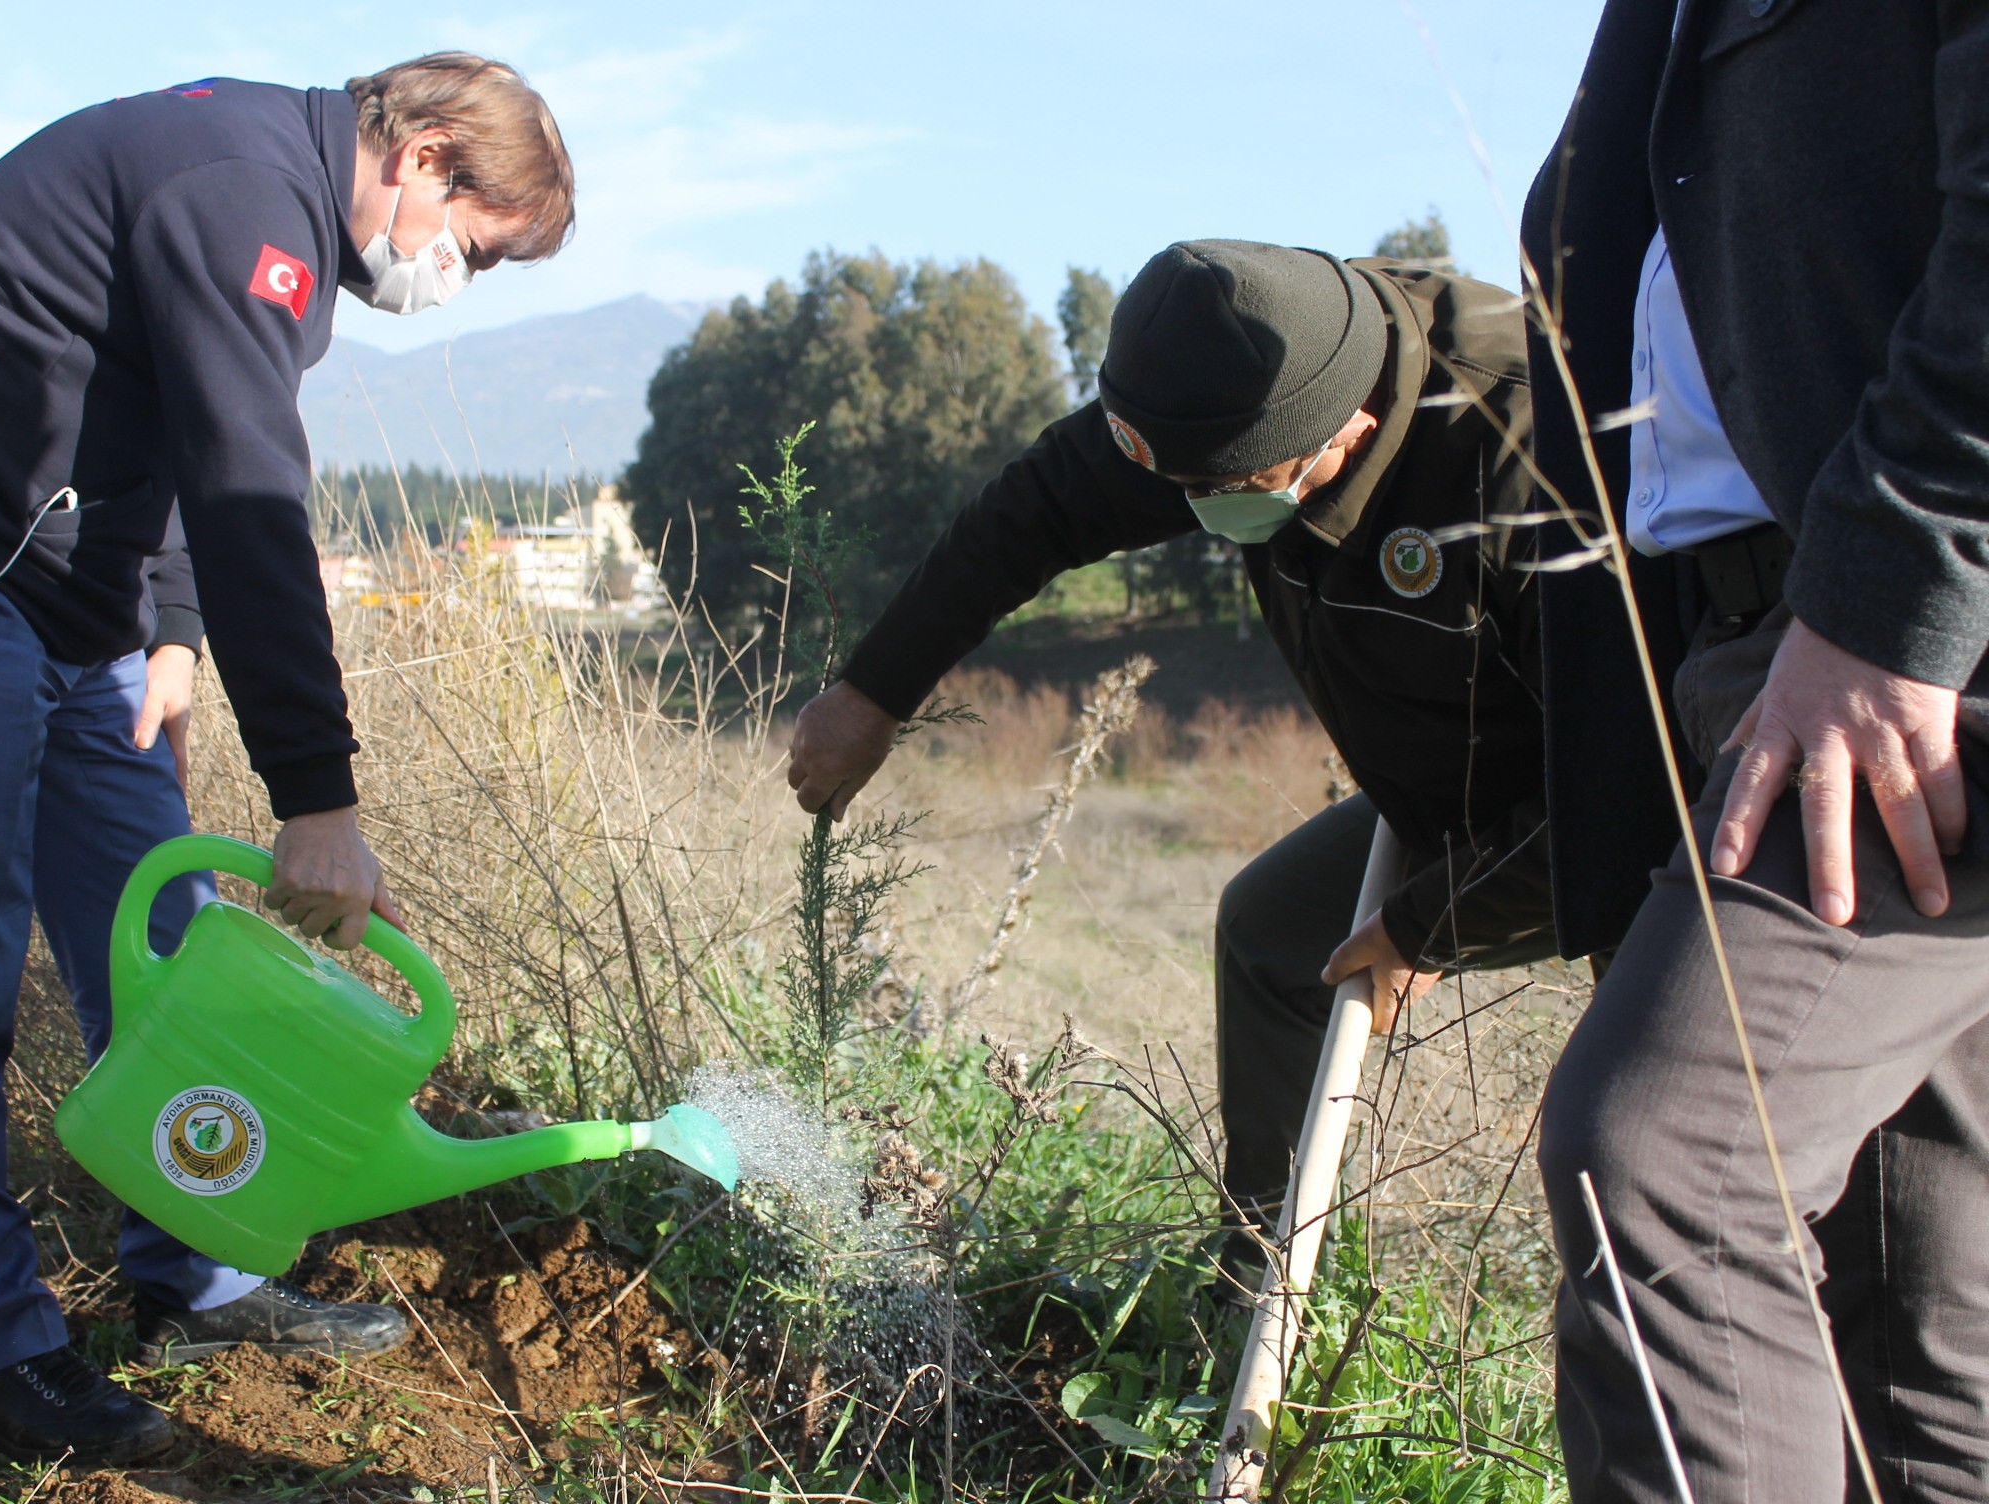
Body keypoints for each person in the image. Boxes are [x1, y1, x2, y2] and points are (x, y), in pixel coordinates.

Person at [0, 53, 574, 1463]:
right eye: (477, 252)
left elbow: (187, 431)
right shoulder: (248, 193)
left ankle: (195, 1273)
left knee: (161, 929)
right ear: (430, 153)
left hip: (66, 591)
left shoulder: (276, 206)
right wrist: (317, 797)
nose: (456, 279)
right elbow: (255, 487)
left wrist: (177, 631)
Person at [785, 239, 1556, 1250]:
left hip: (1658, 815)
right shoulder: (1229, 384)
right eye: (1185, 485)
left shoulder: (1532, 453)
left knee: (1638, 1132)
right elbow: (1044, 505)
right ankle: (1256, 1293)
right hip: (1442, 785)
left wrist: (1436, 920)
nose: (1202, 511)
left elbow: (1630, 786)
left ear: (1352, 428)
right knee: (1276, 933)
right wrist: (874, 689)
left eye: (1234, 487)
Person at [1521, 3, 1989, 1499]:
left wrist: (1890, 592)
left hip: (1900, 646)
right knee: (1922, 1296)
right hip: (1776, 637)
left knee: (1667, 1158)